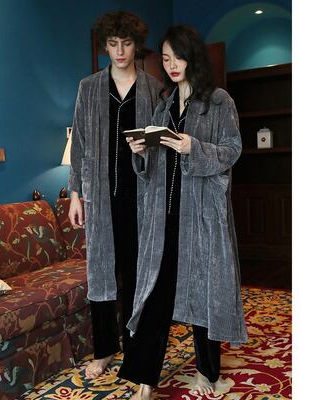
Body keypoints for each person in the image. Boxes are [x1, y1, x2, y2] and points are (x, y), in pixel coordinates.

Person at [117, 25, 248, 399]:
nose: (171, 64)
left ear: (193, 57)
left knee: (204, 293)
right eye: (165, 58)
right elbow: (152, 171)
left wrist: (194, 147)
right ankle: (144, 379)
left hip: (201, 216)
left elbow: (232, 150)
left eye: (177, 56)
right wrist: (141, 153)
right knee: (154, 295)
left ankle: (207, 372)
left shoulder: (219, 101)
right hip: (163, 218)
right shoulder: (163, 106)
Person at [68, 11, 162, 380]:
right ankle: (105, 350)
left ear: (136, 46)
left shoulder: (155, 88)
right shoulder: (88, 87)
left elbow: (164, 144)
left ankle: (137, 350)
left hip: (143, 198)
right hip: (100, 198)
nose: (120, 51)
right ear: (105, 47)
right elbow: (79, 144)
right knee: (102, 274)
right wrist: (75, 194)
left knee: (139, 274)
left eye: (126, 44)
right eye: (113, 44)